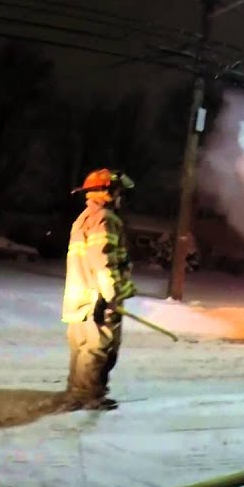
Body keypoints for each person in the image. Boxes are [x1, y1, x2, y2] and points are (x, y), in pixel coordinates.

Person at [58, 168, 137, 411]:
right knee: (99, 349)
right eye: (119, 192)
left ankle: (76, 394)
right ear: (108, 192)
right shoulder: (106, 219)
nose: (121, 197)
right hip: (98, 299)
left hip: (80, 298)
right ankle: (89, 397)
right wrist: (110, 296)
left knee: (82, 348)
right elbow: (103, 260)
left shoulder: (84, 218)